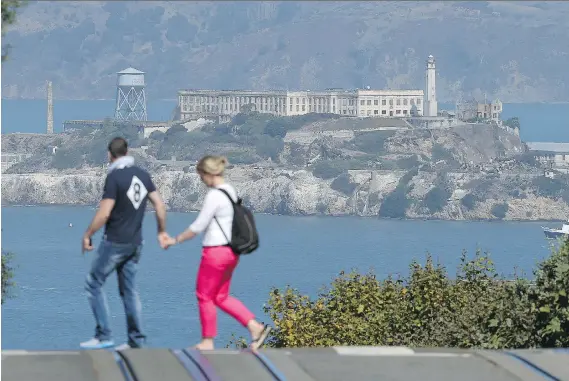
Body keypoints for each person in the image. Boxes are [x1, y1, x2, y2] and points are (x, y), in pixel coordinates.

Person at [162, 155, 270, 350]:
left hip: (215, 252)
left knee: (204, 295)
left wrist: (174, 240)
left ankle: (207, 341)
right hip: (231, 253)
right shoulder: (230, 191)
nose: (201, 180)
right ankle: (255, 327)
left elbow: (198, 226)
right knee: (220, 297)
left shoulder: (214, 195)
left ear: (207, 174)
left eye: (201, 176)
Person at [80, 137, 169, 350]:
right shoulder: (143, 175)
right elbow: (159, 205)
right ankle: (136, 340)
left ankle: (104, 335)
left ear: (110, 155)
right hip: (136, 243)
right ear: (127, 152)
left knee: (94, 282)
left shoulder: (115, 177)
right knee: (129, 291)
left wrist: (88, 233)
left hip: (115, 241)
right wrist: (161, 231)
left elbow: (104, 212)